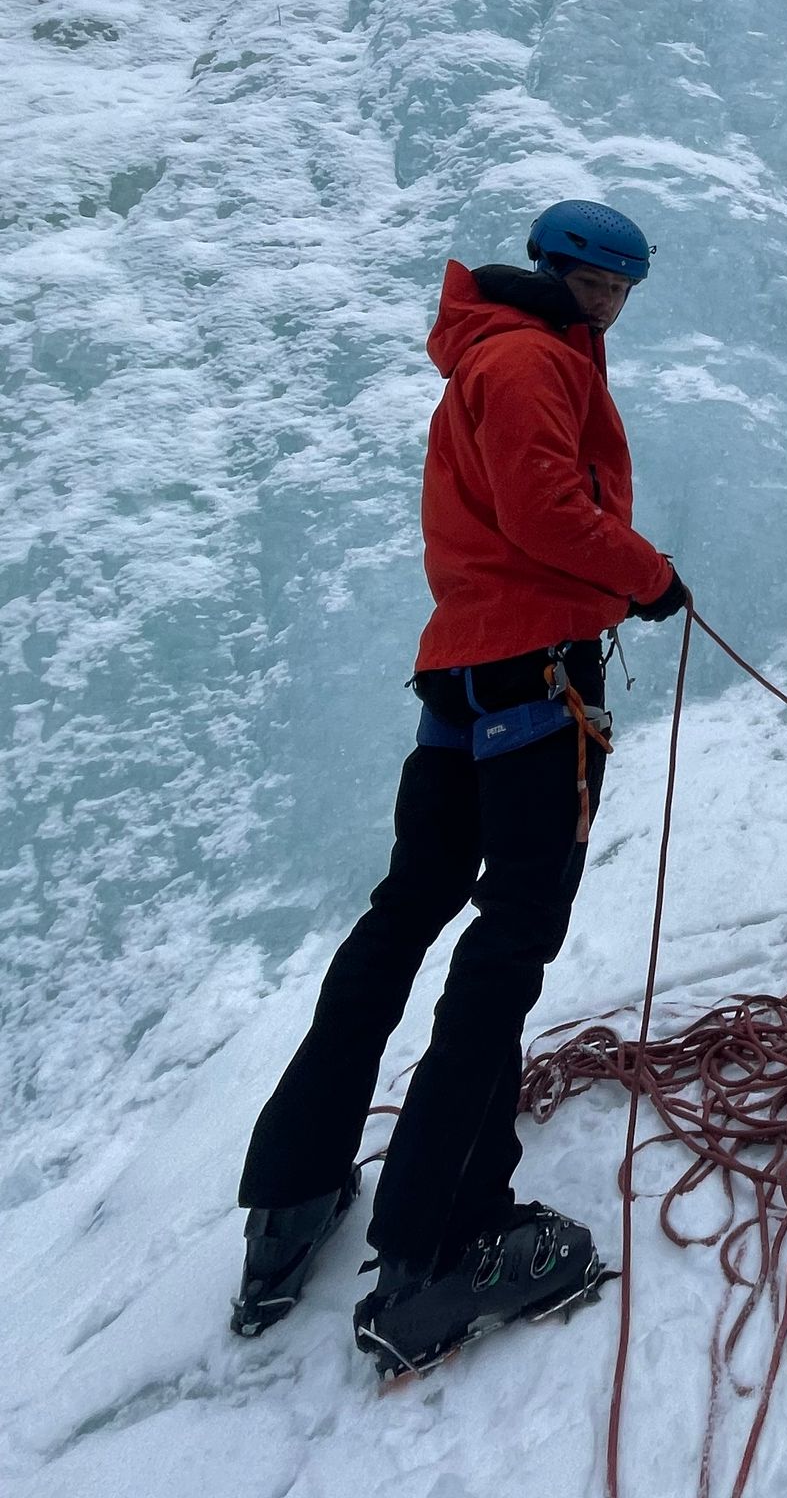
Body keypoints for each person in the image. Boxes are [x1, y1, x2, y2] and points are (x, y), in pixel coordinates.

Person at [231, 198, 689, 1378]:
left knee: (408, 914)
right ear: (558, 275)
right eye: (601, 283)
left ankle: (293, 1193)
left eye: (622, 288)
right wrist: (646, 577)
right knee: (509, 940)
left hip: (463, 676)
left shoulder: (487, 354)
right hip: (533, 679)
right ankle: (443, 1244)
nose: (612, 303)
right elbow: (548, 511)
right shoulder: (535, 358)